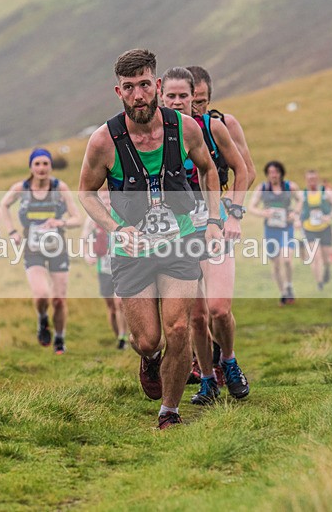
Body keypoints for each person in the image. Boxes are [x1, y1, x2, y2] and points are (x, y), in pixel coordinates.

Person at [79, 49, 228, 429]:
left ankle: (170, 411)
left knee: (178, 327)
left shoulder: (185, 129)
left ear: (157, 86)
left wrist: (212, 220)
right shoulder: (104, 140)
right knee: (147, 339)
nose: (139, 95)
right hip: (132, 248)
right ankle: (148, 359)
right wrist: (115, 229)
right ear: (119, 92)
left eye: (145, 85)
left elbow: (210, 171)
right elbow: (85, 193)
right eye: (129, 88)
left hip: (180, 240)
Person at [159, 66, 250, 404]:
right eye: (173, 96)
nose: (181, 102)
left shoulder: (211, 128)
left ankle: (229, 360)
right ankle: (208, 380)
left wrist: (235, 214)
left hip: (215, 225)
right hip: (179, 233)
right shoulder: (156, 136)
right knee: (195, 317)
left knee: (219, 309)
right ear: (161, 96)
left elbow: (242, 169)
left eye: (186, 96)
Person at [1, 148, 82, 354]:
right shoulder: (21, 188)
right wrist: (12, 232)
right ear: (31, 167)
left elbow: (77, 218)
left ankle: (60, 338)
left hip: (58, 248)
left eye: (45, 163)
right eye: (37, 164)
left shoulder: (60, 188)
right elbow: (3, 206)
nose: (41, 168)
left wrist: (60, 222)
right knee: (42, 295)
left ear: (51, 166)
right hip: (32, 248)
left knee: (59, 299)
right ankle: (42, 319)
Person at [248, 161, 301, 305]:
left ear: (281, 173)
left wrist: (295, 213)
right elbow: (251, 207)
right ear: (267, 174)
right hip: (271, 230)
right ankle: (283, 292)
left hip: (286, 228)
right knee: (276, 264)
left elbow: (301, 200)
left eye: (276, 172)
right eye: (270, 172)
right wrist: (263, 213)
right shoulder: (263, 188)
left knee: (287, 259)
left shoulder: (290, 187)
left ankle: (289, 284)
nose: (273, 175)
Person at [81, 189, 128, 350]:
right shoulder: (92, 219)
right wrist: (88, 255)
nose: (107, 201)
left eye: (109, 198)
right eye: (104, 198)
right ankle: (118, 336)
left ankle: (123, 337)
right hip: (104, 267)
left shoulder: (122, 215)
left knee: (119, 302)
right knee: (111, 306)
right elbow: (84, 239)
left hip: (121, 267)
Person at [299, 170, 332, 291]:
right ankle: (319, 283)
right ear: (306, 181)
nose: (312, 181)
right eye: (309, 179)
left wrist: (330, 216)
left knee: (325, 256)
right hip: (309, 229)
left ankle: (327, 268)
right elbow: (297, 210)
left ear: (317, 179)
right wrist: (296, 220)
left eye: (314, 179)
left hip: (325, 228)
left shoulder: (326, 193)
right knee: (315, 257)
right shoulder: (302, 195)